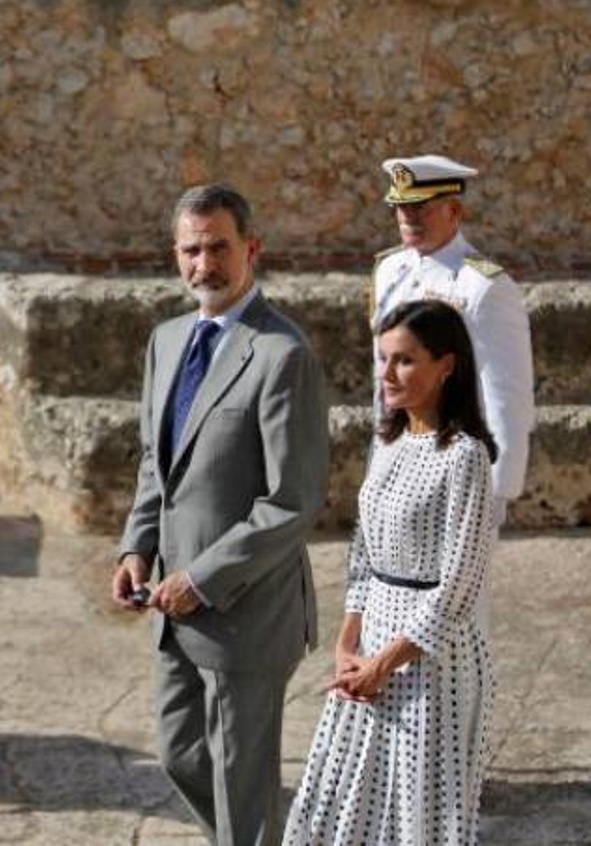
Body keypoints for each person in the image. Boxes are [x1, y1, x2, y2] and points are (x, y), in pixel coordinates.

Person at [113, 183, 329, 846]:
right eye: (189, 249)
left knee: (243, 777)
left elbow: (292, 502)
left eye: (217, 247)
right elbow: (159, 463)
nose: (203, 265)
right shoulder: (167, 340)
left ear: (251, 249)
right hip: (173, 610)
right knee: (180, 753)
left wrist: (201, 576)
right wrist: (136, 548)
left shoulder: (282, 354)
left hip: (247, 609)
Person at [283, 299, 500, 845]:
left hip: (432, 660)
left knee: (419, 813)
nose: (386, 374)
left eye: (403, 360)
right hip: (369, 643)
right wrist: (347, 642)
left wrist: (385, 662)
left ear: (445, 366)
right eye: (382, 359)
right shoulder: (387, 439)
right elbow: (364, 548)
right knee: (337, 800)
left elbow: (459, 586)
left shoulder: (465, 457)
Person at [372, 154, 534, 511]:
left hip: (455, 462)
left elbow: (507, 392)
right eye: (401, 207)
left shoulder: (484, 285)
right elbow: (382, 380)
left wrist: (498, 488)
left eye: (421, 208)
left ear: (454, 212)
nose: (409, 218)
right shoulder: (389, 270)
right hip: (397, 455)